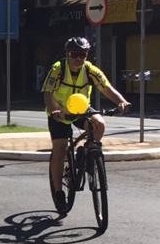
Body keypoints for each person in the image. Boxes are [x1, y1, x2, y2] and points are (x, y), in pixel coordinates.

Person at [43, 37, 130, 210]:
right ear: (67, 54)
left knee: (99, 124)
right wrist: (54, 110)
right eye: (74, 54)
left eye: (82, 55)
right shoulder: (58, 69)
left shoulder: (90, 70)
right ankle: (59, 191)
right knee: (60, 148)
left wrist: (121, 101)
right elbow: (47, 93)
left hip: (81, 109)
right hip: (60, 112)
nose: (78, 59)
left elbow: (106, 87)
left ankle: (88, 154)